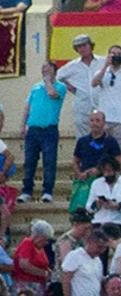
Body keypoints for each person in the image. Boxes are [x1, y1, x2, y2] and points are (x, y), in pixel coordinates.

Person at [20, 62, 64, 203]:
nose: (44, 70)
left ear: (54, 71)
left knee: (49, 161)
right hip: (33, 129)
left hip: (49, 130)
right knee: (29, 162)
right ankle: (27, 191)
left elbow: (52, 94)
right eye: (43, 68)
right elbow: (28, 106)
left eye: (48, 68)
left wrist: (47, 81)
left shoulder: (60, 87)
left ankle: (47, 192)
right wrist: (23, 125)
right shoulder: (35, 87)